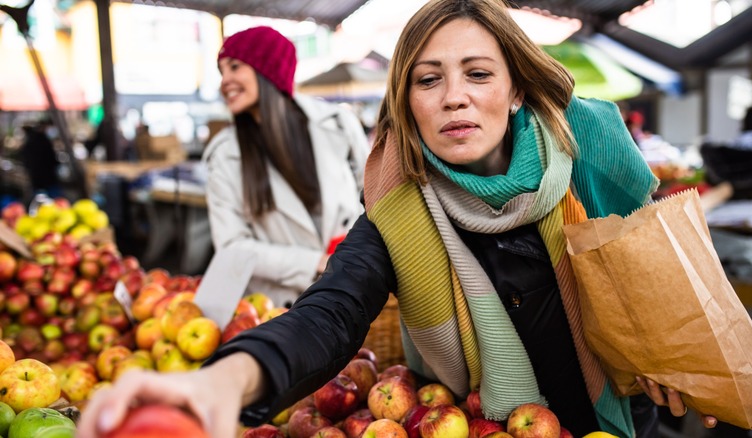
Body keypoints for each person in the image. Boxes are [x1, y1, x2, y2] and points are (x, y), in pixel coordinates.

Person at [76, 1, 719, 437]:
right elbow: (328, 314)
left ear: (516, 89)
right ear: (407, 104)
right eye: (427, 80)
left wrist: (674, 357)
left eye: (477, 73)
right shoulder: (400, 215)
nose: (454, 96)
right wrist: (227, 380)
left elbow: (665, 281)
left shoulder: (588, 163)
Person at [200, 26, 369, 308]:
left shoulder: (338, 124)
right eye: (222, 72)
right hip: (280, 309)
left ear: (268, 69)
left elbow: (375, 198)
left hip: (355, 289)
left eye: (234, 67)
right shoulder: (224, 155)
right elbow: (231, 247)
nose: (224, 81)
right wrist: (315, 262)